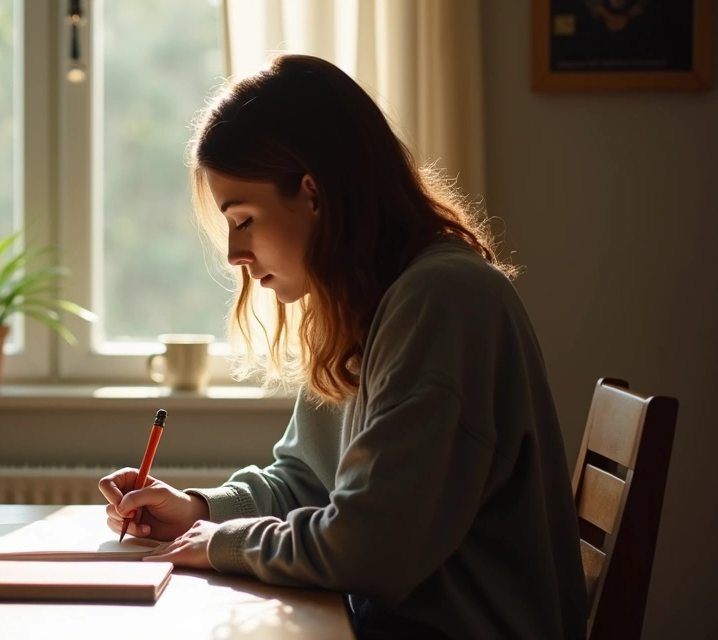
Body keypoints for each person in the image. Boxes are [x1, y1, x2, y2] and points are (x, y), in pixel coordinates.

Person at [98, 54, 588, 639]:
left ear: (314, 193)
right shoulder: (370, 304)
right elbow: (307, 479)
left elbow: (368, 547)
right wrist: (201, 510)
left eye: (244, 219)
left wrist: (225, 542)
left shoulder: (441, 300)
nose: (234, 254)